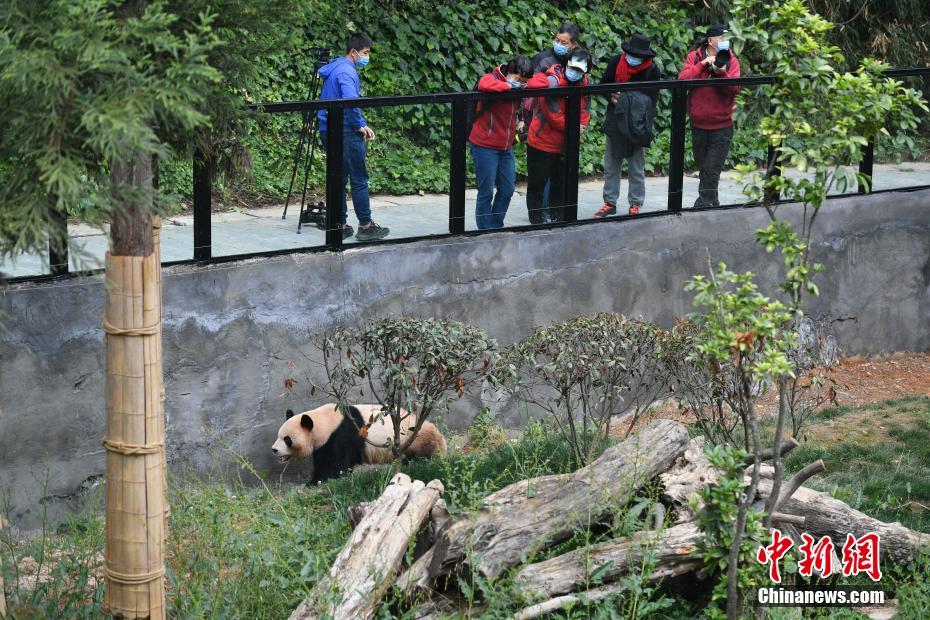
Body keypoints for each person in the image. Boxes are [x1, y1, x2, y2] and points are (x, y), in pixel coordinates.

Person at [317, 32, 389, 241]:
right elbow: (349, 99)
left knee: (338, 178)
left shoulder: (336, 66)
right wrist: (359, 124)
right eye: (366, 53)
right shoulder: (347, 71)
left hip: (327, 128)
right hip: (345, 130)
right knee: (359, 179)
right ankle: (366, 226)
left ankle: (339, 224)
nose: (367, 57)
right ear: (354, 52)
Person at [595, 33, 661, 219]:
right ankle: (609, 202)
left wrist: (626, 100)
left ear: (645, 57)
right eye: (631, 53)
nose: (632, 58)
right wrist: (612, 96)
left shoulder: (652, 71)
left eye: (637, 55)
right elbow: (604, 85)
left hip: (637, 125)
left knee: (636, 165)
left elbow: (650, 100)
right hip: (614, 120)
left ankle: (635, 202)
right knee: (611, 163)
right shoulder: (616, 62)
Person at [525, 49, 593, 224]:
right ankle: (536, 221)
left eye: (579, 70)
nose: (575, 72)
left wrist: (582, 125)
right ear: (566, 64)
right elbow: (552, 112)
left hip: (566, 144)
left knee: (561, 185)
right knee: (537, 184)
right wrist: (574, 128)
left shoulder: (584, 84)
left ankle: (560, 219)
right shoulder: (552, 81)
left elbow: (585, 108)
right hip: (541, 142)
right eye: (572, 68)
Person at [677, 24, 741, 209]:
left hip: (722, 125)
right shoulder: (694, 57)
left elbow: (735, 89)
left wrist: (723, 74)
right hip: (699, 124)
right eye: (722, 38)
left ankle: (703, 204)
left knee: (712, 167)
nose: (725, 42)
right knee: (705, 167)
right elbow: (682, 80)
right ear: (711, 40)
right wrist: (702, 65)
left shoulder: (732, 61)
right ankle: (713, 201)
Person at [468, 56, 534, 229]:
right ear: (510, 73)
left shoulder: (521, 84)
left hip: (506, 147)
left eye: (524, 81)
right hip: (484, 145)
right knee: (486, 192)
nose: (521, 84)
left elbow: (543, 82)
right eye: (519, 79)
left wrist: (523, 85)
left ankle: (496, 226)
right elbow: (484, 84)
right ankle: (485, 231)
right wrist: (508, 86)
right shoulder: (493, 77)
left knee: (507, 189)